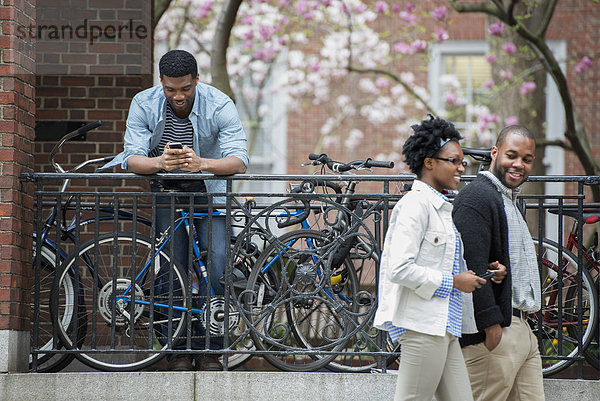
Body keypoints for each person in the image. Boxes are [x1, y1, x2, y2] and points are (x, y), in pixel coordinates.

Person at [103, 49, 248, 371]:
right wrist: (159, 163)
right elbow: (131, 158)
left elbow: (239, 160)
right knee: (172, 269)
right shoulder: (144, 102)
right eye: (171, 89)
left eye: (185, 88)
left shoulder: (219, 104)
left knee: (218, 262)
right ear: (161, 82)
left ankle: (212, 349)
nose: (178, 96)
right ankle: (178, 349)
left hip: (211, 194)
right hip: (166, 192)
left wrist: (202, 164)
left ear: (197, 80)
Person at [374, 115, 506, 401]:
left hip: (444, 326)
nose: (461, 168)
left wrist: (482, 273)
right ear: (429, 162)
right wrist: (454, 282)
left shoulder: (441, 207)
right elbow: (399, 269)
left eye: (462, 162)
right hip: (422, 327)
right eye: (454, 161)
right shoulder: (414, 205)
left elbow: (442, 263)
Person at [452, 125, 544, 401]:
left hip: (523, 331)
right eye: (511, 155)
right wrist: (491, 327)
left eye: (527, 160)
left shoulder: (508, 200)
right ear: (495, 152)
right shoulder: (477, 198)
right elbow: (471, 264)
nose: (519, 165)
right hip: (496, 334)